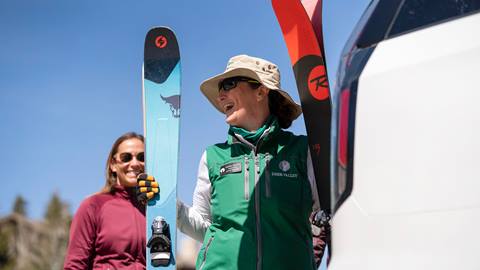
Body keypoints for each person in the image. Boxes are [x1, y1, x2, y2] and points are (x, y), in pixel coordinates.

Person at [175, 54, 329, 270]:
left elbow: (330, 213)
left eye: (228, 84)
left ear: (261, 91)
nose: (220, 96)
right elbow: (203, 227)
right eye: (220, 88)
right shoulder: (213, 156)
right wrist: (168, 205)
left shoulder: (301, 151)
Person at [64, 132, 154, 269]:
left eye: (142, 157)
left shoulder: (155, 210)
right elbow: (75, 265)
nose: (135, 164)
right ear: (113, 164)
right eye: (126, 157)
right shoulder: (93, 205)